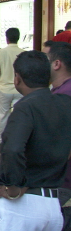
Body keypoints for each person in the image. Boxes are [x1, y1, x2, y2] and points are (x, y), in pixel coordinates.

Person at [0, 50, 71, 231]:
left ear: (17, 78)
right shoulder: (65, 103)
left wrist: (14, 186)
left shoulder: (24, 108)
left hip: (21, 206)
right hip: (52, 204)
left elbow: (12, 149)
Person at [44, 41, 71, 217]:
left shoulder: (64, 95)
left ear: (56, 64)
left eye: (45, 58)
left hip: (63, 180)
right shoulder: (59, 91)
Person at [0, 28, 24, 146]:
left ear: (7, 38)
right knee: (19, 115)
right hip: (20, 89)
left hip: (4, 88)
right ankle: (18, 138)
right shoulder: (23, 53)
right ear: (18, 37)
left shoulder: (0, 52)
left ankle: (1, 139)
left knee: (3, 115)